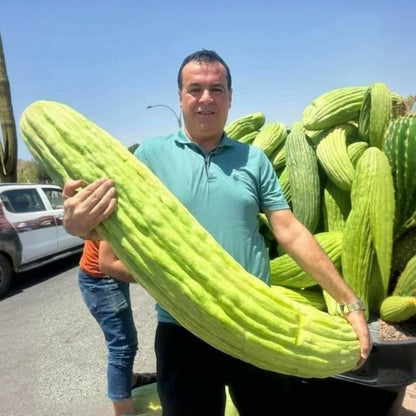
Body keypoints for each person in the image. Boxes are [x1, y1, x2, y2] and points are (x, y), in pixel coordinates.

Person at [62, 49, 372, 415]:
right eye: (195, 89)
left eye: (217, 89)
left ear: (230, 97)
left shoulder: (253, 159)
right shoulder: (147, 157)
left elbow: (290, 232)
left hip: (258, 326)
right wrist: (79, 226)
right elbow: (112, 260)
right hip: (182, 333)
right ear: (179, 97)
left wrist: (349, 302)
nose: (206, 98)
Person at [77, 239, 156, 416]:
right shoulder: (117, 210)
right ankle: (123, 412)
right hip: (102, 282)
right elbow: (107, 264)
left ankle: (129, 381)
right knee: (122, 348)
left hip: (105, 280)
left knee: (124, 343)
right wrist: (156, 278)